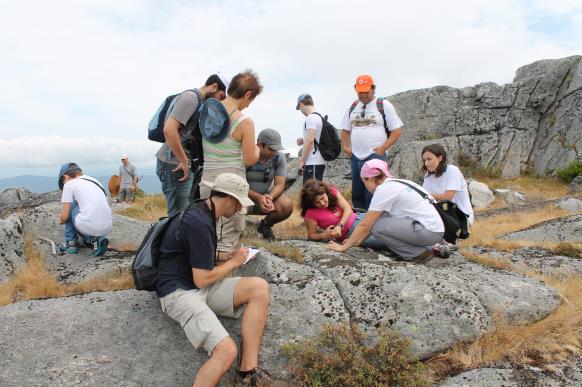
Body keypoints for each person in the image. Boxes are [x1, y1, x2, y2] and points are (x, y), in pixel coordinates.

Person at [156, 173, 271, 386]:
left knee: (258, 288)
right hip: (178, 291)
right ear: (228, 198)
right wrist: (234, 262)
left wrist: (224, 256)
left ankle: (247, 372)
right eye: (238, 204)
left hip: (195, 284)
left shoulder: (204, 211)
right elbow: (201, 279)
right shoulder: (198, 221)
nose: (239, 209)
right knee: (226, 351)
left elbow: (193, 253)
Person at [326, 159, 450, 262]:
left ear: (370, 179)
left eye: (364, 182)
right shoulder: (398, 183)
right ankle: (424, 250)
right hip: (434, 230)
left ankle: (417, 254)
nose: (365, 186)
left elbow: (366, 225)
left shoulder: (384, 190)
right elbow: (377, 219)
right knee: (380, 223)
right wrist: (358, 241)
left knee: (377, 226)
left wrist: (344, 248)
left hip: (428, 231)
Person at [200, 70, 262, 256]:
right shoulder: (244, 121)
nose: (248, 106)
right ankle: (218, 280)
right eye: (250, 101)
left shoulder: (208, 111)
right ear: (248, 95)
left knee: (206, 231)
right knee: (227, 237)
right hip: (231, 184)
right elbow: (250, 159)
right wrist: (257, 149)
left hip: (207, 179)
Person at [156, 73, 230, 216]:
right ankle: (167, 238)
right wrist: (184, 160)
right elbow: (169, 129)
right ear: (214, 86)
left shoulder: (200, 101)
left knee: (184, 212)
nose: (220, 102)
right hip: (175, 163)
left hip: (182, 163)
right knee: (178, 214)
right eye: (221, 97)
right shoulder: (191, 98)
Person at [341, 74, 403, 210]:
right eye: (360, 92)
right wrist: (346, 147)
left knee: (375, 191)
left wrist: (383, 148)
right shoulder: (352, 107)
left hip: (375, 155)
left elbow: (396, 130)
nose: (363, 95)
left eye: (366, 91)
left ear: (373, 89)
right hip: (356, 156)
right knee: (357, 192)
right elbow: (345, 131)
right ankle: (359, 220)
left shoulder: (383, 105)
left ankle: (375, 221)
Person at [299, 179, 382, 248]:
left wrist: (339, 226)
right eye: (317, 202)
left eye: (322, 198)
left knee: (387, 222)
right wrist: (324, 235)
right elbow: (311, 235)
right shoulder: (310, 213)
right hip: (351, 233)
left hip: (361, 217)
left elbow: (348, 209)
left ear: (325, 193)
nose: (322, 203)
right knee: (383, 240)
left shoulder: (332, 191)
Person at [246, 128, 293, 240]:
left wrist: (270, 197)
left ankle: (265, 226)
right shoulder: (246, 155)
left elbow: (280, 185)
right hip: (243, 199)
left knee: (286, 205)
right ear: (260, 145)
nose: (275, 152)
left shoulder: (278, 157)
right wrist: (258, 197)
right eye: (271, 149)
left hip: (264, 199)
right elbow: (238, 184)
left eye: (277, 149)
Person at [421, 143, 474, 243]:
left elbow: (448, 197)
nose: (426, 163)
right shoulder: (428, 175)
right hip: (441, 214)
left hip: (459, 216)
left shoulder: (452, 171)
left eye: (429, 159)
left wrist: (427, 196)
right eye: (424, 160)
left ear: (440, 158)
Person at [58, 163, 112, 256]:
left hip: (88, 224)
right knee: (85, 210)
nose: (64, 185)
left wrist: (62, 220)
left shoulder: (69, 184)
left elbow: (64, 216)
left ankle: (70, 243)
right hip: (107, 226)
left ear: (65, 177)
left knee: (72, 205)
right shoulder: (94, 180)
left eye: (63, 183)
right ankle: (95, 240)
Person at [296, 93, 325, 183]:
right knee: (313, 194)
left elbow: (310, 141)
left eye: (299, 109)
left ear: (301, 104)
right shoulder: (319, 117)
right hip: (318, 162)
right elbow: (315, 138)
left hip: (313, 162)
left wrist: (302, 161)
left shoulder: (311, 118)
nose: (301, 111)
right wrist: (304, 140)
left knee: (311, 194)